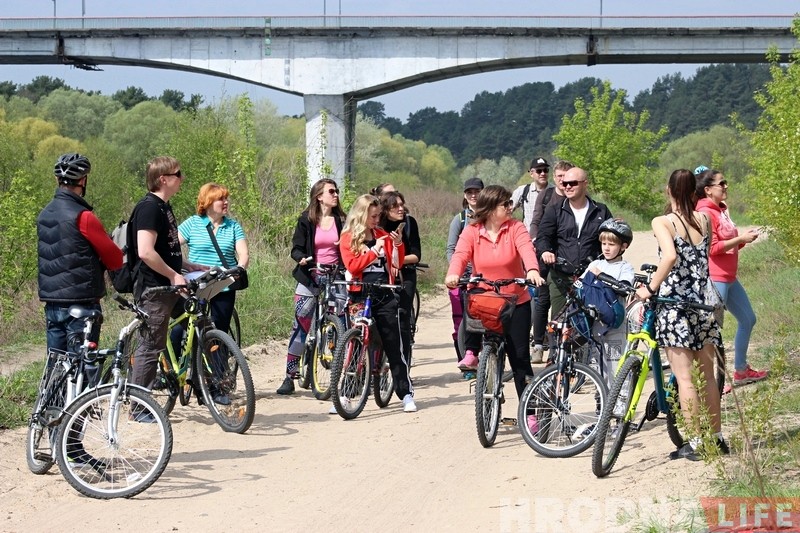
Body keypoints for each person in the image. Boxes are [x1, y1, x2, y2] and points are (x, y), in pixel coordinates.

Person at [634, 169, 727, 460]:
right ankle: (717, 438)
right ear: (694, 192)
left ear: (669, 190)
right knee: (707, 376)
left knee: (685, 379)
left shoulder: (663, 221)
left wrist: (650, 288)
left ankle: (696, 443)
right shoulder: (705, 219)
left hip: (676, 306)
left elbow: (670, 256)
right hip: (704, 303)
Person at [445, 185, 545, 400]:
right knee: (471, 299)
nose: (510, 207)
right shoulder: (472, 231)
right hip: (485, 300)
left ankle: (530, 410)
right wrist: (453, 274)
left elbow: (527, 249)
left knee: (520, 358)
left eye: (510, 203)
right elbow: (460, 255)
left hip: (515, 300)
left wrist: (532, 270)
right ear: (490, 208)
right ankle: (473, 354)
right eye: (505, 204)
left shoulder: (516, 228)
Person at [128, 157, 206, 401]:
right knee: (150, 347)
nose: (182, 178)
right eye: (178, 174)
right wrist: (173, 275)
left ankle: (202, 383)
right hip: (155, 289)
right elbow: (145, 251)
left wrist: (186, 265)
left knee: (200, 320)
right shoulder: (149, 208)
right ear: (163, 179)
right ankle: (140, 407)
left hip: (171, 284)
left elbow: (165, 249)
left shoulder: (164, 207)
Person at [37, 153, 123, 374]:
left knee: (56, 368)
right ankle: (82, 398)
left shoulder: (44, 214)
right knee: (82, 369)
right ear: (83, 180)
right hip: (82, 304)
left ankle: (50, 398)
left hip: (52, 304)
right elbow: (115, 259)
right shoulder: (83, 217)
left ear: (57, 180)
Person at [339, 194, 416, 412]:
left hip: (384, 292)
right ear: (361, 215)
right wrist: (374, 251)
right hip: (360, 295)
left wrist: (397, 244)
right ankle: (347, 393)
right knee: (355, 343)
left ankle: (405, 393)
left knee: (393, 343)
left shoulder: (382, 234)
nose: (376, 220)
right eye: (372, 216)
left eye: (378, 216)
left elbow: (397, 263)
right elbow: (353, 266)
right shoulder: (348, 238)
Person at [695, 166, 767, 389]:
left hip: (729, 277)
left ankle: (741, 370)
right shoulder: (705, 212)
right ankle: (712, 381)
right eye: (721, 183)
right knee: (711, 331)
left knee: (748, 319)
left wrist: (743, 240)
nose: (726, 186)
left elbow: (729, 244)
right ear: (708, 189)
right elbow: (712, 248)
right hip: (716, 278)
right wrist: (740, 239)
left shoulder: (721, 210)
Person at [174, 183, 250, 384]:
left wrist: (240, 268)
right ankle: (172, 371)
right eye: (220, 199)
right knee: (180, 328)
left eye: (226, 198)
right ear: (207, 202)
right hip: (196, 284)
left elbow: (243, 253)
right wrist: (184, 265)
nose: (226, 202)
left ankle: (218, 379)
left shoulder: (233, 226)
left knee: (218, 332)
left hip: (224, 284)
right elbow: (171, 248)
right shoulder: (192, 224)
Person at [278, 178, 346, 395]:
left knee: (341, 322)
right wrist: (301, 258)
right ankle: (289, 376)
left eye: (336, 191)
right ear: (319, 196)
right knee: (301, 325)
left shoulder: (342, 220)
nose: (336, 195)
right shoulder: (306, 219)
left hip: (336, 276)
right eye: (331, 191)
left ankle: (342, 369)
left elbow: (350, 246)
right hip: (310, 276)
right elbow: (296, 248)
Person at [536, 167, 612, 326]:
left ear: (585, 183)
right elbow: (543, 236)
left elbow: (612, 240)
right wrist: (545, 251)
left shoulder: (601, 211)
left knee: (589, 324)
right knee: (558, 324)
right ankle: (554, 343)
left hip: (590, 277)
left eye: (573, 183)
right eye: (565, 183)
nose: (568, 187)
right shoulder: (554, 210)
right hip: (560, 277)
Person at [581, 218, 635, 388]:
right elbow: (580, 287)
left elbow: (624, 288)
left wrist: (600, 276)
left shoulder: (625, 267)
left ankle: (619, 401)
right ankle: (601, 400)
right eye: (603, 243)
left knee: (615, 367)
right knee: (598, 367)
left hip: (615, 327)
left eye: (611, 244)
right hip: (595, 325)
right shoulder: (595, 264)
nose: (606, 248)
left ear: (623, 246)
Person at [529, 159, 573, 362]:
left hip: (565, 257)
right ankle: (538, 344)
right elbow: (536, 221)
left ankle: (558, 349)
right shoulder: (546, 196)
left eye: (566, 177)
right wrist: (536, 242)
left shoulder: (576, 198)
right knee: (542, 300)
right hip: (545, 254)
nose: (563, 181)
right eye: (559, 177)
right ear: (554, 178)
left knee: (563, 303)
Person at [379, 190, 421, 367]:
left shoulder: (409, 223)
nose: (401, 208)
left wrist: (397, 261)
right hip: (382, 274)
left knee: (402, 317)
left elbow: (416, 256)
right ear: (385, 209)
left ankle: (404, 365)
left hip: (405, 275)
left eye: (402, 204)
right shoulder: (377, 226)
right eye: (395, 206)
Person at [445, 177, 484, 370]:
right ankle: (465, 361)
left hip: (484, 275)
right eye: (470, 192)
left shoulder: (491, 217)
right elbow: (451, 249)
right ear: (464, 195)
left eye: (477, 191)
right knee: (459, 322)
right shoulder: (459, 219)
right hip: (462, 277)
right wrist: (456, 272)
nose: (473, 195)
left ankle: (487, 359)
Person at [511, 157, 550, 229]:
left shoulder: (555, 191)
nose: (543, 173)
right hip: (528, 235)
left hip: (551, 235)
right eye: (539, 171)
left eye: (545, 170)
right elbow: (507, 210)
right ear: (531, 174)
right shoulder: (522, 191)